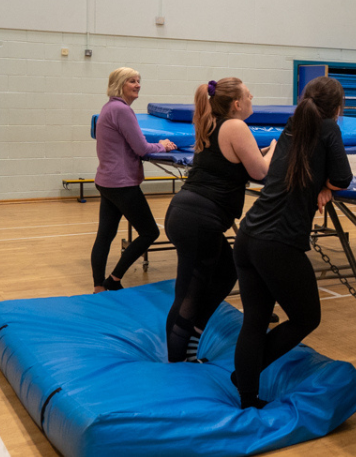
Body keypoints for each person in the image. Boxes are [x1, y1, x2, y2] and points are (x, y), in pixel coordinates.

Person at [231, 76, 353, 409]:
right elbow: (342, 177)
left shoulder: (291, 127)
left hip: (248, 235)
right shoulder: (328, 129)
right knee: (306, 318)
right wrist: (326, 187)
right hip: (278, 243)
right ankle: (247, 373)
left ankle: (246, 392)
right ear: (337, 109)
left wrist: (320, 184)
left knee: (255, 320)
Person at [164, 78, 276, 363]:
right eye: (249, 94)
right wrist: (275, 148)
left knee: (226, 272)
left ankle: (192, 338)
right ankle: (176, 363)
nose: (253, 97)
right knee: (188, 291)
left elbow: (243, 167)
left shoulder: (213, 124)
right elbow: (262, 174)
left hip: (187, 214)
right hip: (197, 219)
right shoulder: (235, 126)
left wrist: (261, 156)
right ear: (237, 104)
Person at [91, 67, 176, 292]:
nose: (138, 85)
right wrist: (163, 145)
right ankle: (114, 279)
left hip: (107, 180)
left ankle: (99, 287)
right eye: (132, 81)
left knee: (105, 235)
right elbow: (140, 147)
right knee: (150, 232)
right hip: (121, 183)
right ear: (120, 84)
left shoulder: (109, 108)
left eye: (139, 81)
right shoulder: (122, 110)